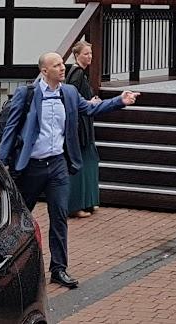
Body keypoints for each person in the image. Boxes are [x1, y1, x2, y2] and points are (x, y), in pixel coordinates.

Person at [0, 51, 139, 289]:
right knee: (20, 216)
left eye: (63, 64)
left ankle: (59, 269)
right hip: (30, 167)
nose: (63, 68)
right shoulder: (28, 94)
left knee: (60, 216)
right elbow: (11, 129)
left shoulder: (69, 93)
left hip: (57, 165)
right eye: (57, 65)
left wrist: (119, 101)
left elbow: (90, 109)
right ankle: (7, 261)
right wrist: (2, 161)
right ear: (44, 71)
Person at [66, 40, 100, 218]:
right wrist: (89, 102)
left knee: (90, 160)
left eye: (90, 53)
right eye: (86, 53)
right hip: (80, 126)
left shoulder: (80, 74)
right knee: (82, 162)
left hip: (85, 123)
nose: (89, 56)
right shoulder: (77, 74)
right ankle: (77, 205)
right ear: (77, 55)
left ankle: (89, 202)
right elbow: (72, 98)